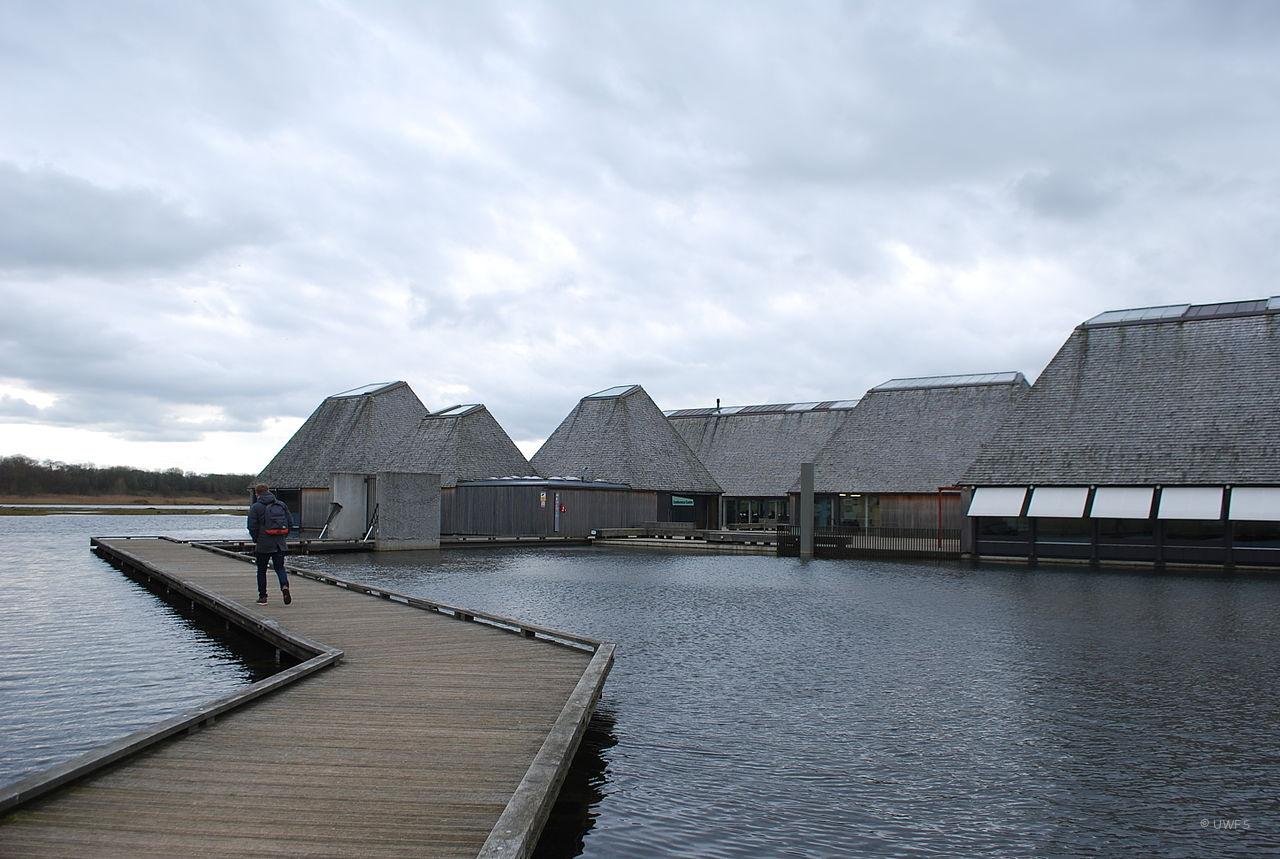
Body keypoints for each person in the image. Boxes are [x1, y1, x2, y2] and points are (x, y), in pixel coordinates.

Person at [247, 483, 292, 606]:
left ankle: (263, 597)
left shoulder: (256, 507)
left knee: (261, 570)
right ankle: (284, 586)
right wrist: (283, 537)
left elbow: (251, 526)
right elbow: (290, 523)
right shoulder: (281, 505)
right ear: (269, 491)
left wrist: (256, 539)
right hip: (280, 543)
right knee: (280, 568)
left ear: (257, 494)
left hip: (263, 544)